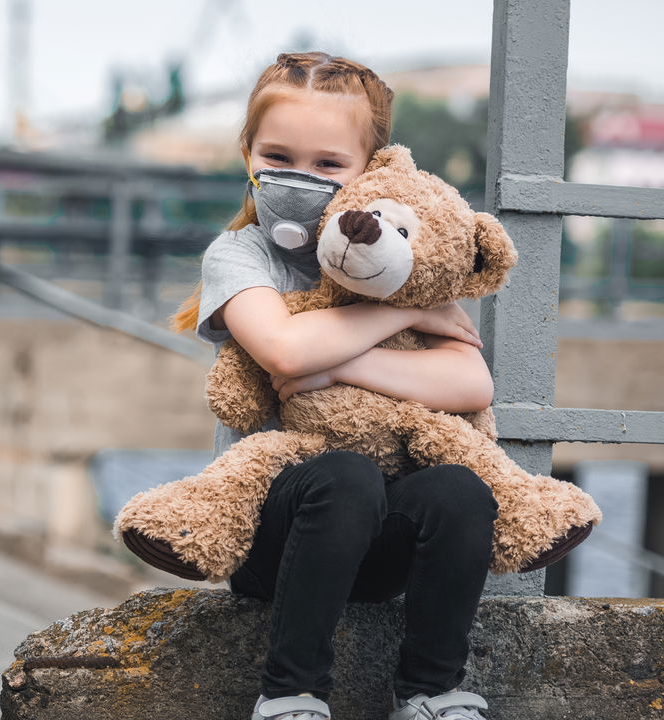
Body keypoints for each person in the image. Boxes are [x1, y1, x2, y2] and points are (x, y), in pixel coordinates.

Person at [170, 52, 498, 720]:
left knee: (460, 490)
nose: (301, 179)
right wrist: (407, 311)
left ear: (371, 170)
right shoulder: (241, 255)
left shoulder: (404, 255)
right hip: (276, 536)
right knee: (343, 474)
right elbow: (283, 350)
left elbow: (469, 381)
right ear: (248, 156)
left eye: (327, 164)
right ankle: (290, 693)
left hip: (383, 545)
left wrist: (340, 360)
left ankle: (432, 691)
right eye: (279, 157)